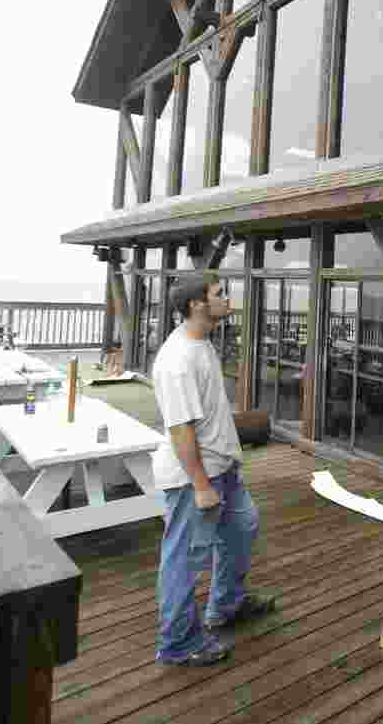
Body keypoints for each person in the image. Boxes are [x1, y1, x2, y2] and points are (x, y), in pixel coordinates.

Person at [151, 272, 275, 667]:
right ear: (196, 305)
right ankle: (178, 642)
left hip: (224, 470)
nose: (228, 299)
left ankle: (226, 605)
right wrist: (202, 485)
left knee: (242, 526)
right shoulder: (178, 360)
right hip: (195, 479)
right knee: (186, 558)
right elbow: (180, 429)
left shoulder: (202, 343)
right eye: (219, 293)